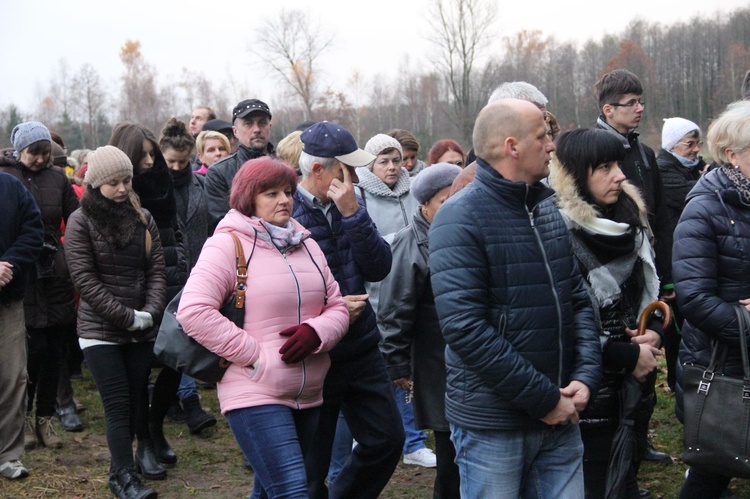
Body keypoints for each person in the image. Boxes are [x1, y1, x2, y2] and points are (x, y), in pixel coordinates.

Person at [430, 99, 601, 498]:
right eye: (542, 137)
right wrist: (543, 399)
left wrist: (585, 377)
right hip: (495, 425)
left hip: (561, 415)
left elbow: (577, 299)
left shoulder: (545, 211)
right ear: (512, 146)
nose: (552, 146)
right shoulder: (459, 219)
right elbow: (465, 328)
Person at [177, 157, 348, 498]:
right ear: (248, 198)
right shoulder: (227, 244)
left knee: (270, 491)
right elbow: (193, 311)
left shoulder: (306, 243)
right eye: (271, 193)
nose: (284, 199)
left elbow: (338, 306)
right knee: (292, 491)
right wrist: (257, 357)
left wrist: (317, 333)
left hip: (310, 390)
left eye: (287, 191)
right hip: (255, 389)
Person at [293, 121, 405, 498]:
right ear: (320, 170)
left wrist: (353, 215)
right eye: (348, 168)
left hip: (360, 348)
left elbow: (379, 267)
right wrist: (333, 312)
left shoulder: (351, 204)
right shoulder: (283, 211)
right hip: (313, 356)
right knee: (311, 466)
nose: (356, 176)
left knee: (387, 441)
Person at [549, 128, 664, 499]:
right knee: (596, 482)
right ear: (576, 174)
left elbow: (654, 290)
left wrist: (655, 330)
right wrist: (627, 355)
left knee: (624, 476)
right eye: (605, 167)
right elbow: (560, 318)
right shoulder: (555, 231)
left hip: (635, 382)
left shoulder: (631, 220)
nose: (620, 175)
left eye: (619, 164)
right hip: (588, 387)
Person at [64, 145, 165, 499]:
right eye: (114, 183)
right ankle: (122, 477)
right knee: (118, 403)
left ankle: (126, 467)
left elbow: (156, 270)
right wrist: (127, 318)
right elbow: (85, 280)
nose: (122, 189)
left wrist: (151, 313)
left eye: (126, 181)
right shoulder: (80, 221)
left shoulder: (143, 218)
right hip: (100, 331)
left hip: (140, 326)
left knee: (138, 397)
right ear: (95, 184)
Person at [594, 69, 672, 469]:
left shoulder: (643, 153)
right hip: (609, 275)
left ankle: (639, 447)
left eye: (641, 101)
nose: (640, 109)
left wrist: (665, 275)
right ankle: (620, 462)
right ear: (608, 109)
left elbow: (657, 218)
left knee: (649, 353)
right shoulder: (596, 152)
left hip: (647, 270)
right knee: (622, 365)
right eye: (631, 103)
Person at [673, 100, 750, 498]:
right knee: (713, 467)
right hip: (722, 366)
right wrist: (746, 321)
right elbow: (694, 298)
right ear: (731, 155)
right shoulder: (705, 209)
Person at [379, 162, 463, 498]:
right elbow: (395, 309)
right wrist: (398, 365)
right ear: (425, 204)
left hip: (464, 361)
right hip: (434, 362)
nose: (455, 205)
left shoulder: (462, 233)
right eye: (446, 200)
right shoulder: (410, 244)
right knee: (450, 456)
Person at [110, 122, 188, 479]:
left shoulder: (162, 182)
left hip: (171, 276)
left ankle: (156, 426)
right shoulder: (116, 188)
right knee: (140, 369)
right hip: (133, 286)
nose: (147, 160)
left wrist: (182, 263)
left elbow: (176, 227)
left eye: (150, 153)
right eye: (140, 154)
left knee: (177, 358)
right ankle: (144, 441)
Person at [354, 133, 432, 467]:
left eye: (396, 160)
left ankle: (414, 441)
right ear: (370, 164)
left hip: (411, 292)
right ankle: (367, 432)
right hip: (374, 295)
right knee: (379, 372)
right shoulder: (360, 195)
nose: (391, 167)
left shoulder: (415, 190)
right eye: (383, 161)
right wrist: (396, 243)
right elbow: (362, 242)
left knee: (407, 371)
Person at [0, 121, 79, 451]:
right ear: (20, 151)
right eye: (35, 152)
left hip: (55, 273)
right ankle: (23, 418)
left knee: (56, 350)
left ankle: (46, 418)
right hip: (23, 275)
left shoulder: (58, 179)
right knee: (31, 353)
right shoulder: (9, 179)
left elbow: (75, 219)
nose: (42, 158)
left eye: (47, 152)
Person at [158, 118, 217, 433]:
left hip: (197, 271)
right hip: (165, 273)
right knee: (175, 337)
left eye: (184, 162)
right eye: (171, 162)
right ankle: (187, 402)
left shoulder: (200, 185)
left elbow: (210, 224)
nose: (178, 168)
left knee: (187, 336)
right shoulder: (154, 188)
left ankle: (180, 399)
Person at [656, 117, 706, 393]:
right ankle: (678, 385)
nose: (696, 149)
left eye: (697, 143)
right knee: (677, 332)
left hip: (684, 261)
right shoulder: (665, 171)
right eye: (690, 144)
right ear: (673, 146)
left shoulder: (687, 169)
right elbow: (697, 195)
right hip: (675, 263)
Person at [0, 171, 44, 480]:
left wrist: (9, 264)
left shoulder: (11, 187)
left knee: (13, 376)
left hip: (8, 300)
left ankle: (8, 455)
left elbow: (33, 232)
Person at [204, 99, 275, 225]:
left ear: (270, 127)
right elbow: (223, 223)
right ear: (235, 131)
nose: (257, 129)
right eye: (248, 124)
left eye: (262, 122)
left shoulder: (285, 167)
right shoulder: (219, 173)